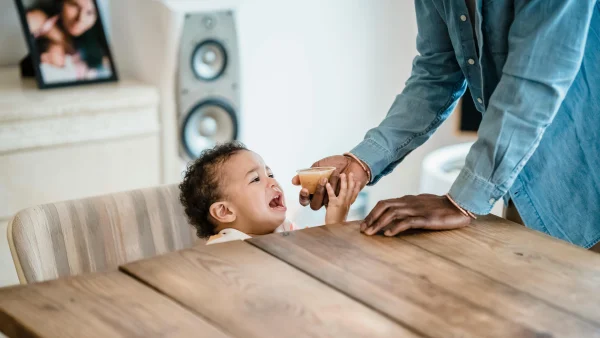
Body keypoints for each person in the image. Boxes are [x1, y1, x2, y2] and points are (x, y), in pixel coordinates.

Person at [293, 1, 600, 250]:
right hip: (526, 187)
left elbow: (533, 83)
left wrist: (463, 200)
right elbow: (437, 71)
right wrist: (361, 162)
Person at [179, 142, 361, 245]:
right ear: (225, 211)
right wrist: (335, 226)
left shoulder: (286, 229)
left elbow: (322, 263)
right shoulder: (225, 248)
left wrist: (336, 223)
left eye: (270, 174)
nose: (272, 181)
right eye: (255, 179)